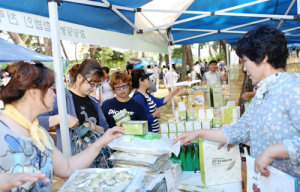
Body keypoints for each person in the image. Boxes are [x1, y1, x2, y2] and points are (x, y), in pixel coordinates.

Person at [174, 25, 300, 190]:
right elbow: (237, 131)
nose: (244, 68)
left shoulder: (293, 89)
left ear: (263, 58)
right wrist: (199, 133)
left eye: (245, 61)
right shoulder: (263, 93)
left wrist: (272, 151)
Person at [0, 61, 124, 191]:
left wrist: (102, 141)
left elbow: (67, 167)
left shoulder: (40, 134)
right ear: (34, 92)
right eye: (50, 88)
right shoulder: (3, 130)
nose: (54, 94)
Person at [38, 59, 109, 153]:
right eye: (92, 84)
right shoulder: (62, 99)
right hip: (70, 160)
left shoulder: (94, 101)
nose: (94, 88)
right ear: (79, 77)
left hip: (95, 159)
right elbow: (36, 120)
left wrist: (95, 128)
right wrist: (61, 118)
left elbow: (105, 127)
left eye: (97, 85)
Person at [131, 68, 181, 133]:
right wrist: (154, 115)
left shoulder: (146, 94)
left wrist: (173, 93)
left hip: (153, 134)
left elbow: (160, 101)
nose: (150, 80)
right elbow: (140, 119)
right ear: (141, 82)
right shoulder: (138, 97)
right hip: (148, 135)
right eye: (148, 78)